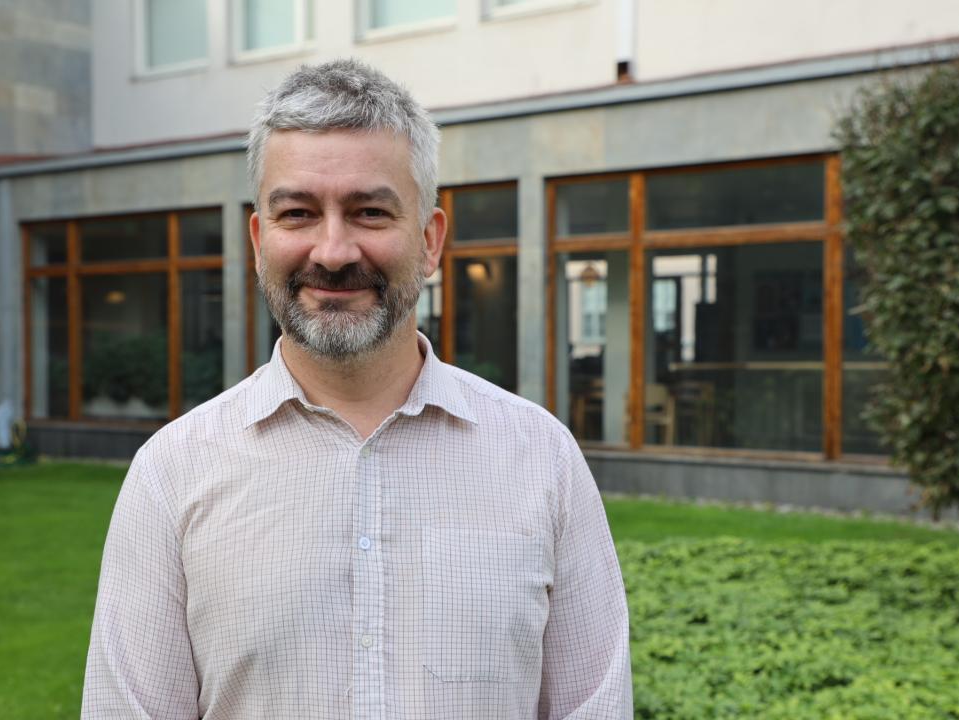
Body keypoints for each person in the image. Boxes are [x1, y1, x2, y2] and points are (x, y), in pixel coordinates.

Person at [81, 58, 632, 720]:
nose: (334, 251)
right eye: (298, 213)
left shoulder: (542, 459)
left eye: (370, 212)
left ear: (429, 241)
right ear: (259, 240)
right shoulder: (172, 475)